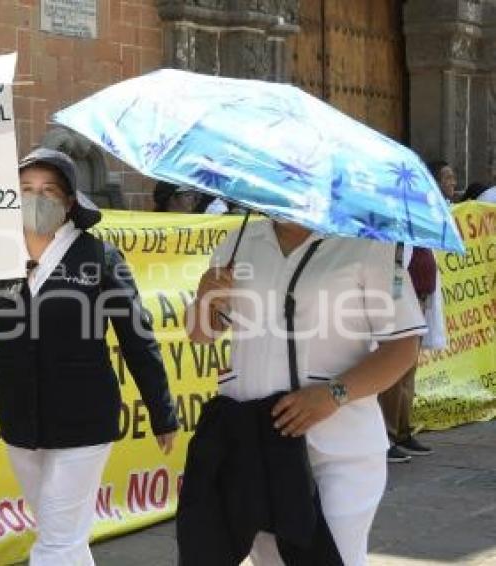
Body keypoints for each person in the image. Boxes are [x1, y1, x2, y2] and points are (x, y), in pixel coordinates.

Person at [0, 148, 178, 565]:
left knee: (56, 542)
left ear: (70, 202)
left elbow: (137, 335)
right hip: (21, 420)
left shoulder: (99, 257)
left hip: (85, 420)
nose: (36, 198)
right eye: (26, 189)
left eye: (48, 190)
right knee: (64, 535)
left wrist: (161, 410)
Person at [184, 219, 424, 565]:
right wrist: (205, 301)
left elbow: (403, 346)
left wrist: (333, 394)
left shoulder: (367, 244)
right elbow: (201, 334)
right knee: (270, 560)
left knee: (332, 556)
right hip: (257, 440)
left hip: (338, 449)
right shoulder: (240, 240)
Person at [380, 245, 445, 463]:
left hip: (420, 299)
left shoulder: (420, 231)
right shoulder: (395, 232)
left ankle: (402, 432)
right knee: (393, 373)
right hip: (400, 301)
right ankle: (386, 437)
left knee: (408, 371)